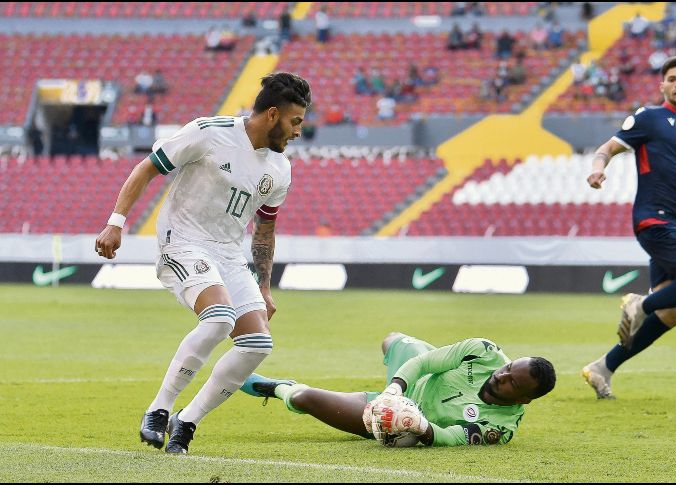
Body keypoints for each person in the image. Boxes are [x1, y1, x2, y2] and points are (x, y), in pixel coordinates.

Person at [94, 72, 312, 453]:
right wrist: (116, 223)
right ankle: (159, 409)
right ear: (273, 114)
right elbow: (147, 168)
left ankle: (187, 420)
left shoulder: (280, 169)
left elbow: (264, 230)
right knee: (219, 318)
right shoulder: (208, 132)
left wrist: (263, 287)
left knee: (257, 344)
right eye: (296, 121)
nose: (298, 132)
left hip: (228, 252)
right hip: (183, 241)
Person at [581, 56, 676, 400]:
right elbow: (607, 149)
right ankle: (640, 303)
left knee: (671, 314)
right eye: (673, 78)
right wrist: (596, 167)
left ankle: (602, 368)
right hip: (654, 219)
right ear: (663, 85)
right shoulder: (649, 118)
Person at [240, 333, 556, 446]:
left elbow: (453, 437)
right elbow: (424, 363)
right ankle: (400, 363)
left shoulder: (500, 428)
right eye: (507, 368)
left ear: (525, 399)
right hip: (406, 386)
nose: (501, 375)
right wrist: (394, 389)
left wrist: (418, 426)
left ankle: (279, 388)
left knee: (304, 398)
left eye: (512, 382)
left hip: (398, 420)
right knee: (393, 340)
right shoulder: (485, 351)